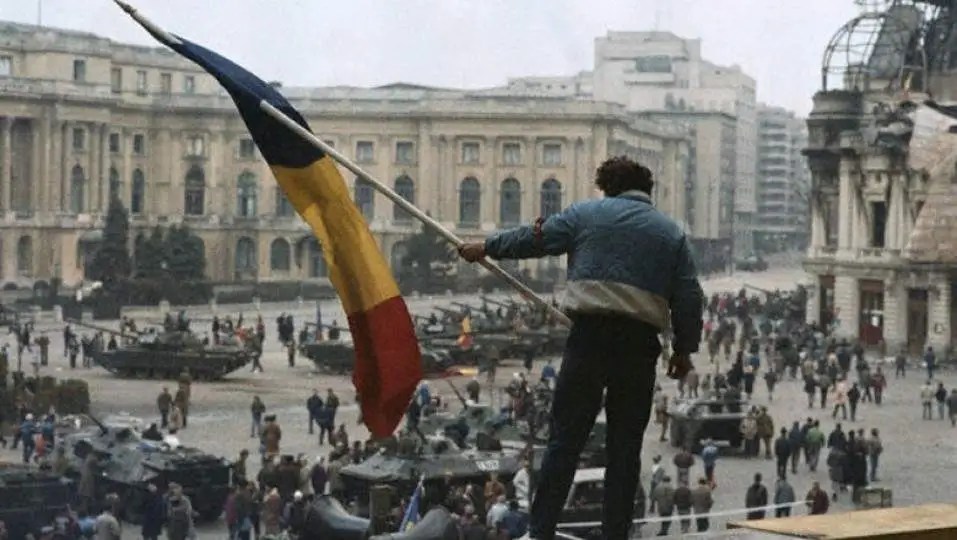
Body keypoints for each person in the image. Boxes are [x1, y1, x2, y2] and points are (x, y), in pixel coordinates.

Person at [457, 156, 703, 540]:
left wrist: (486, 247)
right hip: (639, 347)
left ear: (607, 187)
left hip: (588, 338)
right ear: (646, 190)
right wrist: (683, 351)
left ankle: (540, 530)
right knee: (624, 449)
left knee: (565, 441)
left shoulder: (585, 214)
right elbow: (688, 296)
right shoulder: (671, 233)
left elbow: (532, 240)